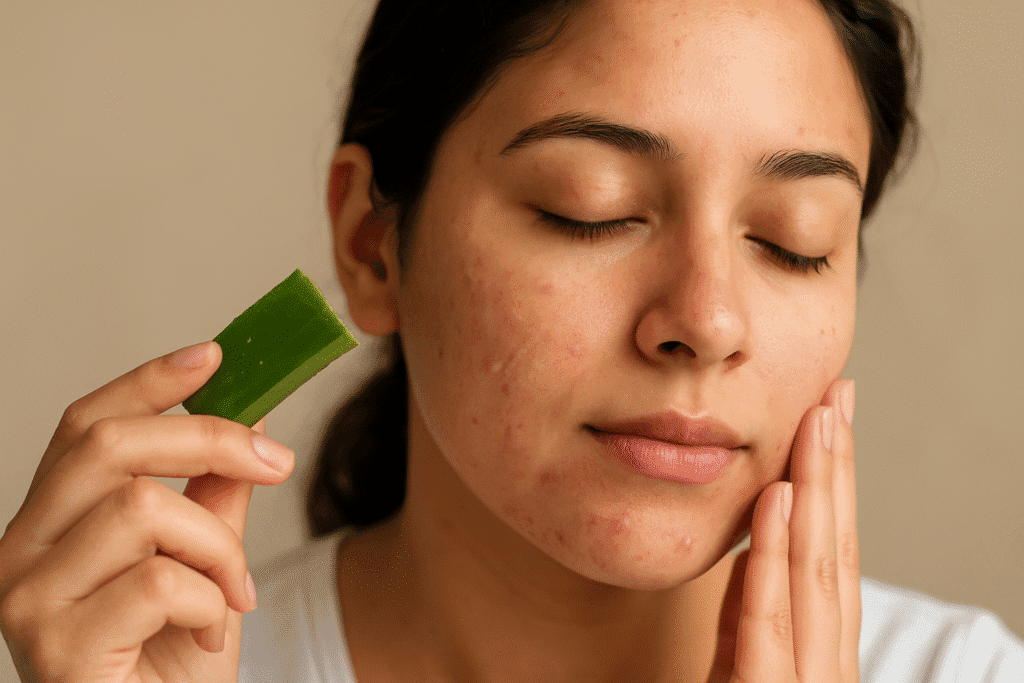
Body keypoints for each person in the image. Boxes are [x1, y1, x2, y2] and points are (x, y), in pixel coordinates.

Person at [2, 0, 1022, 681]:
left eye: (790, 242)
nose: (706, 321)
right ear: (372, 243)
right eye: (592, 209)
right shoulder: (155, 662)